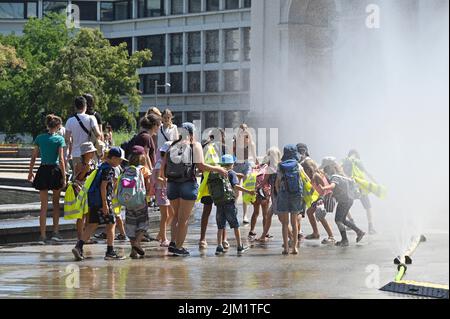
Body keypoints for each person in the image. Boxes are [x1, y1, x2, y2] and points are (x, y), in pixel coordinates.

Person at [159, 122, 228, 257]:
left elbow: (163, 167)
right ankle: (179, 247)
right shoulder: (194, 145)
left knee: (176, 217)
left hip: (172, 184)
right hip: (187, 184)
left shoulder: (171, 145)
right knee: (183, 219)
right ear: (192, 133)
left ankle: (173, 242)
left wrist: (165, 179)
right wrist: (218, 168)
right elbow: (201, 166)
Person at [71, 147, 127, 261]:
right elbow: (103, 187)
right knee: (111, 224)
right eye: (120, 160)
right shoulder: (109, 170)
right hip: (103, 201)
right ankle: (110, 251)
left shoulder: (101, 167)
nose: (121, 162)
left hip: (94, 201)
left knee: (92, 224)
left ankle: (78, 246)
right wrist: (105, 204)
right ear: (114, 158)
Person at [28, 114, 66, 243]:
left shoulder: (39, 138)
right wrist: (64, 176)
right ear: (57, 126)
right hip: (55, 171)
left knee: (43, 206)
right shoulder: (59, 139)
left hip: (43, 170)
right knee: (56, 204)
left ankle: (42, 236)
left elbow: (34, 157)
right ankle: (55, 233)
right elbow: (61, 159)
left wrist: (30, 172)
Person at [209, 154, 253, 256]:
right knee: (235, 225)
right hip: (229, 203)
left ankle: (219, 247)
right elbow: (236, 186)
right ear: (232, 164)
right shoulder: (231, 173)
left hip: (219, 203)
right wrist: (248, 191)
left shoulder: (217, 173)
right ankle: (239, 246)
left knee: (220, 226)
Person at [320, 159, 366, 247]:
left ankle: (345, 240)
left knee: (338, 220)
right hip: (349, 200)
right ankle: (359, 232)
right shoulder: (343, 176)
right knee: (343, 219)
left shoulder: (334, 177)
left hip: (344, 201)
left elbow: (333, 185)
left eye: (325, 174)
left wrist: (324, 188)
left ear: (328, 173)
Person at [197, 129, 228, 250]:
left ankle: (221, 239)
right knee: (210, 210)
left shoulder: (223, 148)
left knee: (220, 210)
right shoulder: (207, 147)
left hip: (218, 181)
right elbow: (201, 166)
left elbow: (230, 164)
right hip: (209, 182)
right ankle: (203, 239)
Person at [123, 146, 152, 259]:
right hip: (140, 201)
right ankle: (137, 243)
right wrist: (148, 196)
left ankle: (133, 251)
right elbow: (148, 185)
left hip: (129, 201)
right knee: (143, 223)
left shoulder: (126, 169)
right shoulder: (144, 169)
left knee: (131, 225)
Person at [342, 149, 380, 234]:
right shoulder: (358, 162)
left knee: (343, 204)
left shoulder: (346, 162)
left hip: (351, 187)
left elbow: (340, 171)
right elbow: (367, 173)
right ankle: (370, 227)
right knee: (368, 207)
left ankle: (351, 221)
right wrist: (376, 183)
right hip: (361, 187)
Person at [275, 145, 303, 255]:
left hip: (284, 194)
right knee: (294, 222)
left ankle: (286, 248)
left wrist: (279, 194)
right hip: (296, 195)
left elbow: (277, 183)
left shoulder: (280, 166)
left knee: (285, 223)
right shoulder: (298, 165)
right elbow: (303, 181)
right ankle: (295, 248)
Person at [301, 158, 336, 244]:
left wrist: (320, 200)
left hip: (324, 197)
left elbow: (324, 188)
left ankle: (331, 236)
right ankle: (315, 233)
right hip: (319, 197)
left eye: (304, 170)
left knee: (320, 216)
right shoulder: (312, 175)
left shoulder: (316, 175)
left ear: (309, 169)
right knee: (309, 212)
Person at [66, 96, 102, 175]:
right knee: (90, 177)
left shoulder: (70, 121)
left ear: (75, 107)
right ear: (85, 105)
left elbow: (67, 139)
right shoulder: (91, 118)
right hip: (89, 152)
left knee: (78, 177)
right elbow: (98, 134)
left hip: (76, 153)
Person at [71, 142, 97, 240]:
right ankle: (80, 236)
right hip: (81, 191)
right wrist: (85, 170)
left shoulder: (93, 163)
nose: (93, 154)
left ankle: (87, 237)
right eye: (91, 152)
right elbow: (78, 178)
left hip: (91, 191)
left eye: (93, 152)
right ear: (85, 153)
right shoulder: (79, 164)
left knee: (89, 214)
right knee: (81, 215)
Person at [233, 124, 259, 224]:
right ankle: (233, 211)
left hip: (246, 165)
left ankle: (245, 215)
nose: (244, 130)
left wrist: (257, 163)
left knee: (246, 190)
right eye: (242, 129)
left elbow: (254, 156)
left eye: (245, 129)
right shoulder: (236, 142)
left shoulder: (250, 143)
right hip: (236, 166)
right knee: (236, 190)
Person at [257, 147, 282, 242]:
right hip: (280, 194)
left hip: (276, 195)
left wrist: (256, 187)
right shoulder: (281, 165)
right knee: (269, 214)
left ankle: (292, 238)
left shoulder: (270, 168)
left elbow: (263, 182)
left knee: (282, 219)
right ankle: (263, 235)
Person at [151, 142, 174, 247]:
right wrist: (166, 180)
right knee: (165, 215)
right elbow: (156, 177)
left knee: (171, 214)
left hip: (166, 190)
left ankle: (160, 234)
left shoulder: (167, 163)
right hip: (161, 191)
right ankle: (164, 238)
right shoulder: (160, 163)